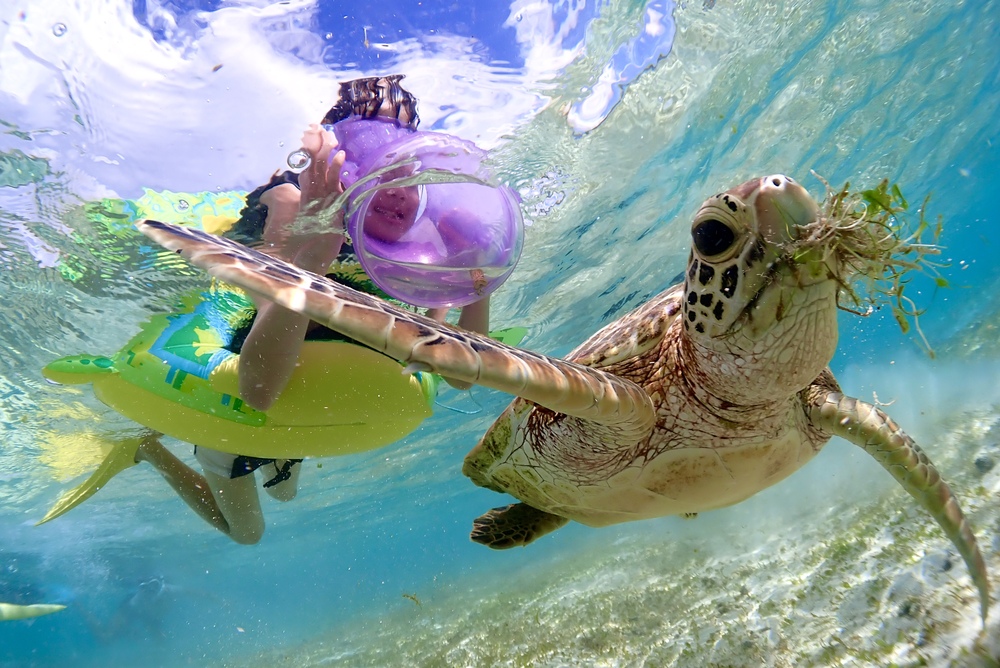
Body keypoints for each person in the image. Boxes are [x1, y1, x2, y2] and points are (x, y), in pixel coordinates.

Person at [128, 75, 492, 544]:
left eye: (405, 157)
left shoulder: (414, 242)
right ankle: (149, 451)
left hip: (307, 398)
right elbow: (259, 389)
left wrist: (476, 280)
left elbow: (459, 376)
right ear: (340, 147)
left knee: (284, 495)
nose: (397, 181)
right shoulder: (292, 200)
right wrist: (312, 257)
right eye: (373, 141)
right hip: (247, 392)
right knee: (247, 533)